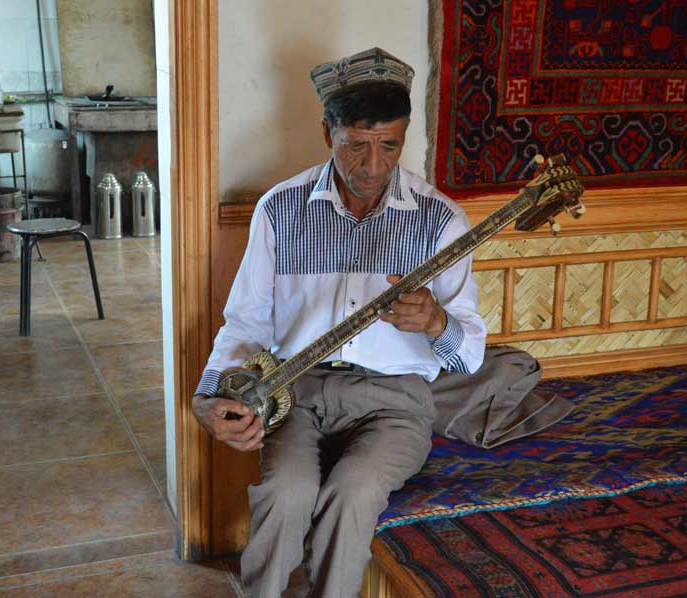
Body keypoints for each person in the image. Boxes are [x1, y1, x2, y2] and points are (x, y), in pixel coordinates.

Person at [191, 47, 487, 597]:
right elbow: (246, 323)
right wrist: (209, 397)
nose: (373, 166)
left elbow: (468, 352)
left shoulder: (441, 219)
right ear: (328, 131)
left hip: (396, 402)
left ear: (403, 137)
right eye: (355, 144)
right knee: (287, 493)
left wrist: (433, 321)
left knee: (353, 491)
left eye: (389, 145)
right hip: (297, 392)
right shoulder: (281, 208)